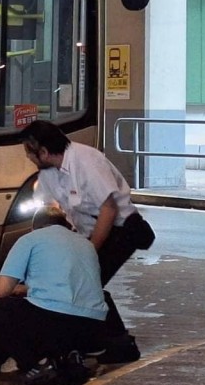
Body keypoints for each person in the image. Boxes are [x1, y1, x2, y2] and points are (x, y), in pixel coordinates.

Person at [19, 120, 155, 363]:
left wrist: (89, 253)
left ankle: (120, 344)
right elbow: (50, 209)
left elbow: (109, 210)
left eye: (29, 151)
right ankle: (96, 340)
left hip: (120, 230)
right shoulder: (48, 173)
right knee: (78, 282)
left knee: (87, 283)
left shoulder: (87, 161)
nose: (27, 157)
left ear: (43, 151)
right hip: (87, 230)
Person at [0, 207, 108, 385]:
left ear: (33, 228)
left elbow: (0, 291)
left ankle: (34, 366)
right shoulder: (85, 243)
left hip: (53, 323)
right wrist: (25, 289)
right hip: (93, 329)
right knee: (45, 310)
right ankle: (68, 358)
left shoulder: (30, 239)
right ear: (67, 226)